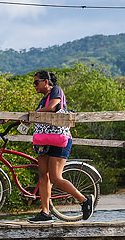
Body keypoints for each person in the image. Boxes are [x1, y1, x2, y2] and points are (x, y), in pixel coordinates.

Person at [28, 70, 93, 222]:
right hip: (45, 140)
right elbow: (41, 114)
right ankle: (45, 212)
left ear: (46, 82)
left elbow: (52, 107)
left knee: (56, 178)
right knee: (43, 175)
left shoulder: (56, 90)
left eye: (36, 82)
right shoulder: (41, 100)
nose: (34, 85)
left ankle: (83, 200)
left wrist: (33, 114)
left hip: (59, 139)